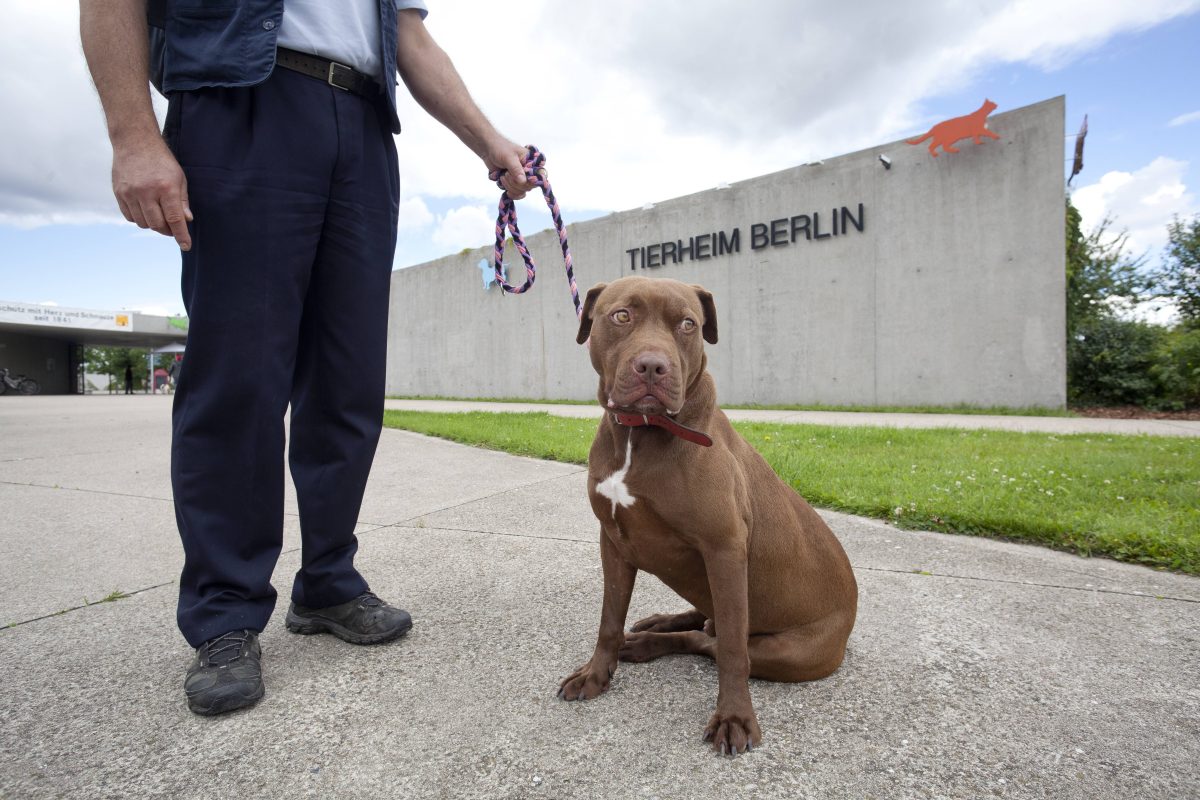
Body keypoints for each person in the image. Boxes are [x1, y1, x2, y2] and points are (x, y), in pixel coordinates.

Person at [81, 0, 531, 716]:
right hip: (241, 104)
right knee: (239, 380)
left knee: (348, 384)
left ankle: (327, 580)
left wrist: (490, 143)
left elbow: (408, 34)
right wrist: (133, 133)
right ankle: (225, 613)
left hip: (361, 121)